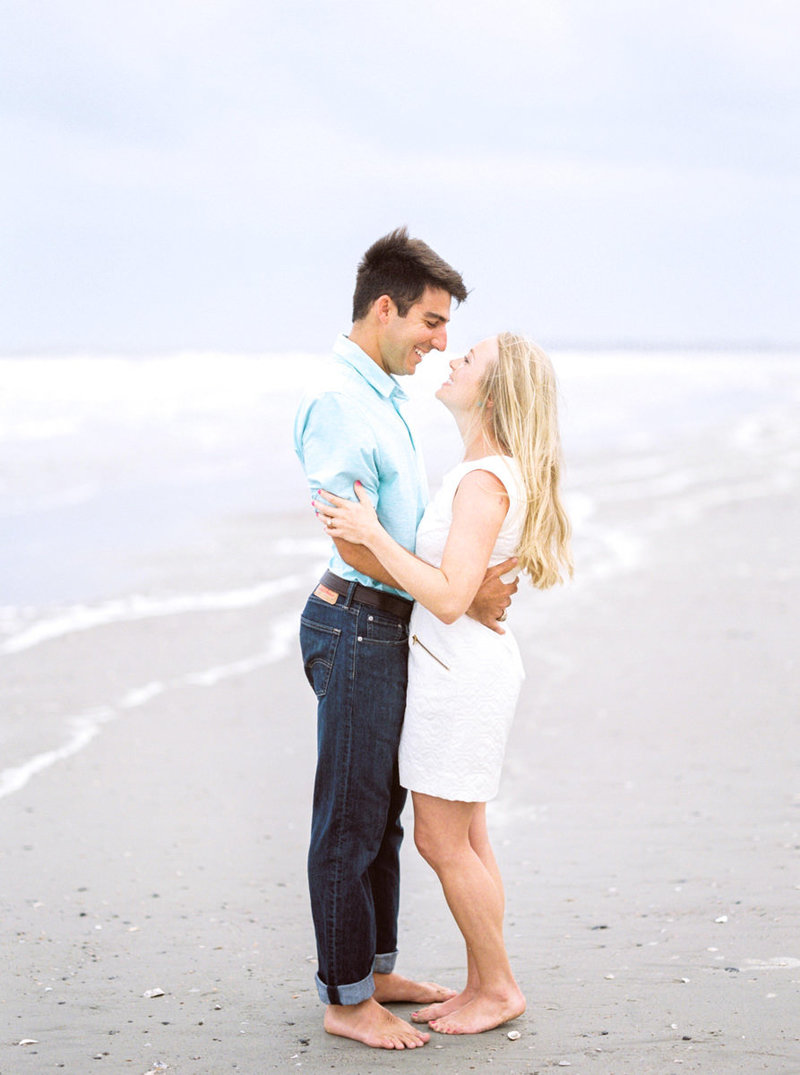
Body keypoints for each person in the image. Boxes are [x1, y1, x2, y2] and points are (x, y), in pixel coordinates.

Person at [294, 228, 518, 1050]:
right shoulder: (342, 400)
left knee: (380, 815)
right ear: (384, 308)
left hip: (386, 621)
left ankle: (373, 965)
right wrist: (455, 593)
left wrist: (470, 584)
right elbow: (353, 537)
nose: (440, 342)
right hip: (353, 619)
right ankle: (345, 997)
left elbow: (395, 533)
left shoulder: (383, 393)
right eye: (430, 321)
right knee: (349, 820)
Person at [315, 331, 573, 1035]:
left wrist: (370, 531)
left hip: (460, 677)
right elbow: (465, 589)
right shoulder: (482, 469)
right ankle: (488, 981)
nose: (453, 358)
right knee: (468, 835)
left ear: (491, 391)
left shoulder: (484, 478)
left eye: (471, 360)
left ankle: (498, 986)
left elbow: (453, 595)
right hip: (463, 670)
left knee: (441, 839)